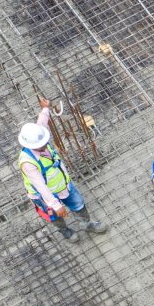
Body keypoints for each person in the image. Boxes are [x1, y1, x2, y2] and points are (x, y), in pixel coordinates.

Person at [17, 98, 106, 240]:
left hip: (63, 185)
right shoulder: (28, 162)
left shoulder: (40, 137)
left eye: (45, 142)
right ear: (31, 146)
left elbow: (42, 123)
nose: (46, 145)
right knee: (55, 216)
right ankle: (65, 230)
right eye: (41, 145)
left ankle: (86, 224)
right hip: (44, 195)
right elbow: (41, 187)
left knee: (78, 204)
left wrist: (45, 109)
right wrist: (56, 205)